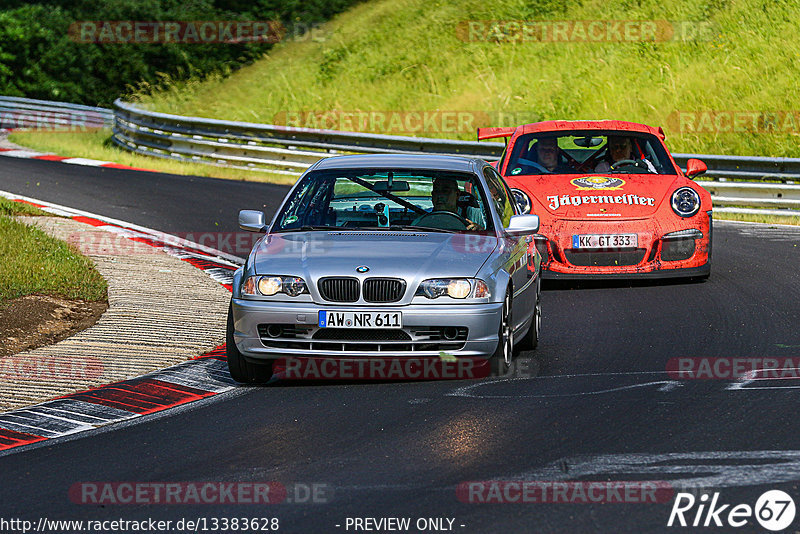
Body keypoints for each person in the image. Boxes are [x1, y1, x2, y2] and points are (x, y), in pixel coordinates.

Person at [412, 177, 478, 230]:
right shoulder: (420, 223)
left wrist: (480, 231)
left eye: (445, 191)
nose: (440, 196)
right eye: (436, 191)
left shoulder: (475, 216)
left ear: (457, 194)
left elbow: (487, 234)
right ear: (432, 195)